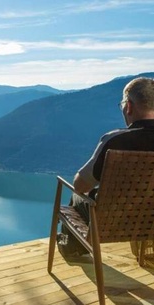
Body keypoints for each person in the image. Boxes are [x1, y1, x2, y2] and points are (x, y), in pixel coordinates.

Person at [57, 76, 154, 257]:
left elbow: (81, 185)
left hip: (115, 220)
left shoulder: (116, 140)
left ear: (129, 106)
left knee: (77, 195)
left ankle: (74, 248)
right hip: (150, 219)